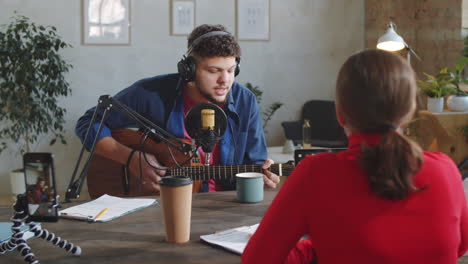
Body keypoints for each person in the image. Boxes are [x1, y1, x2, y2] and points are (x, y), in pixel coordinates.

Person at [242, 49, 468, 263]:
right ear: (409, 112)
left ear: (340, 114)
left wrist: (318, 246)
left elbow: (258, 259)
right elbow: (459, 245)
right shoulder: (446, 170)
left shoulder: (316, 174)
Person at [75, 24, 280, 195]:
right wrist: (130, 158)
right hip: (158, 207)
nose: (224, 81)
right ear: (188, 70)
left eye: (230, 70)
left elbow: (256, 164)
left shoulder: (245, 101)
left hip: (224, 208)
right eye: (213, 71)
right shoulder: (151, 93)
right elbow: (89, 122)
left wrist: (263, 177)